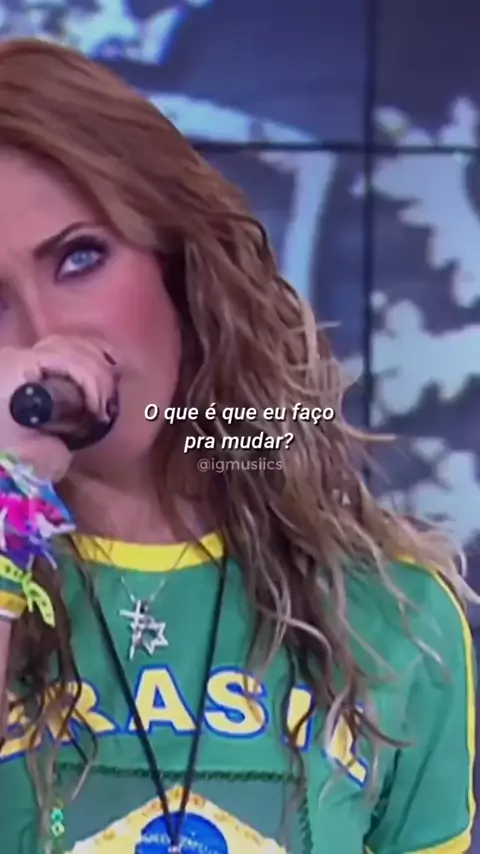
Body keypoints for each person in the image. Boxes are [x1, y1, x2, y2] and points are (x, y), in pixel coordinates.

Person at [0, 37, 474, 854]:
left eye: (81, 258)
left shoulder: (392, 617)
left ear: (180, 265)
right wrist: (12, 494)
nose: (48, 336)